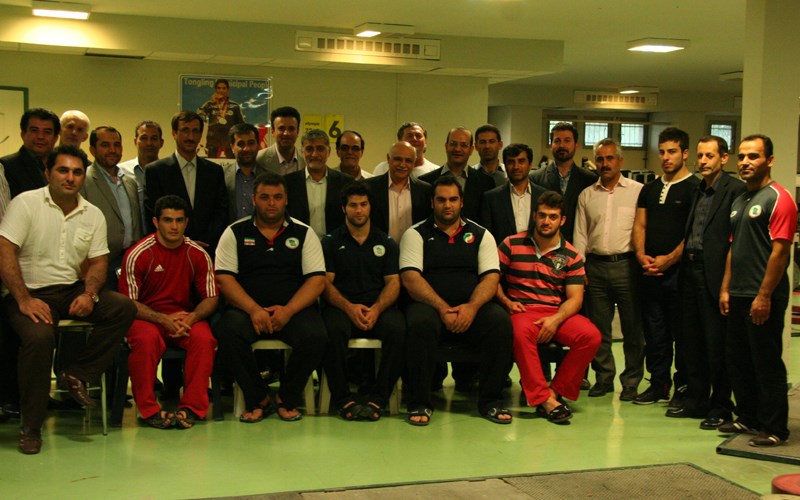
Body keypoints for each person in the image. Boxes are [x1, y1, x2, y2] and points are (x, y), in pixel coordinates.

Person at [0, 144, 136, 454]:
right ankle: (31, 426)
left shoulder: (93, 214)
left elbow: (99, 262)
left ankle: (78, 374)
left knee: (122, 308)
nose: (70, 178)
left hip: (72, 289)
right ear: (48, 172)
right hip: (29, 292)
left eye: (77, 172)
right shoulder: (26, 204)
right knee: (39, 338)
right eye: (63, 170)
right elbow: (5, 250)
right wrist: (23, 299)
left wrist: (89, 294)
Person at [400, 176, 513, 426]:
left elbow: (491, 278)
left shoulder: (481, 235)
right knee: (419, 323)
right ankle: (419, 401)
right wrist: (442, 308)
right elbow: (410, 278)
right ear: (432, 203)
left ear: (462, 202)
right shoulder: (415, 234)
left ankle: (491, 401)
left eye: (453, 199)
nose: (447, 205)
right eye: (441, 200)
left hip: (471, 307)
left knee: (500, 322)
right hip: (430, 307)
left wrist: (471, 308)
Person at [214, 172, 327, 422]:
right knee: (228, 332)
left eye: (277, 197)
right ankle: (257, 397)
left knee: (316, 335)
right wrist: (254, 310)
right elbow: (224, 279)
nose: (271, 203)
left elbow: (317, 280)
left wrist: (288, 311)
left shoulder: (304, 232)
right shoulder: (234, 232)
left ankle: (287, 397)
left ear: (286, 200)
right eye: (265, 197)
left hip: (293, 310)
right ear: (254, 200)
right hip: (247, 311)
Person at [719, 134, 797, 447]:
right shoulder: (740, 200)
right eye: (742, 156)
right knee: (738, 359)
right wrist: (725, 288)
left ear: (770, 160)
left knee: (766, 362)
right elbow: (733, 248)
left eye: (753, 156)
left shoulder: (779, 198)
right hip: (738, 294)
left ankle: (775, 427)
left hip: (764, 295)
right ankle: (748, 417)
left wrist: (763, 295)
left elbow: (780, 252)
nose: (745, 162)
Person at [497, 190, 601, 423]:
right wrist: (506, 301)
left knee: (591, 336)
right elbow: (490, 279)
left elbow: (575, 299)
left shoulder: (572, 255)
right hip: (522, 310)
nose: (546, 221)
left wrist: (555, 320)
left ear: (562, 220)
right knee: (520, 334)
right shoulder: (511, 244)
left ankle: (553, 393)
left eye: (553, 217)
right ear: (534, 216)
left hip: (556, 312)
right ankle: (544, 399)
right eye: (542, 215)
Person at [119, 195, 218, 430]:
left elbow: (211, 297)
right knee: (146, 341)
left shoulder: (197, 254)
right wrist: (162, 319)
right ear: (156, 222)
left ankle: (192, 408)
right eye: (167, 220)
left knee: (204, 339)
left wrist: (193, 317)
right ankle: (149, 410)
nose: (174, 226)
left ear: (186, 222)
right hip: (146, 318)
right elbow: (128, 303)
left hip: (184, 317)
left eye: (179, 220)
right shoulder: (138, 254)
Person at [666, 136, 745, 427]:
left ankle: (721, 406)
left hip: (715, 274)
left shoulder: (734, 189)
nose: (703, 161)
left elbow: (734, 240)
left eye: (709, 156)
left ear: (724, 158)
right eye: (700, 156)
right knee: (692, 341)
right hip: (690, 271)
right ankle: (696, 401)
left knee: (716, 344)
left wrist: (726, 284)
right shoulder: (698, 189)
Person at [321, 182, 404, 421]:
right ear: (343, 209)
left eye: (363, 204)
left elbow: (393, 282)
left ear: (370, 207)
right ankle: (342, 398)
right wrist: (349, 307)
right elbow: (325, 284)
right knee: (330, 331)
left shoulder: (386, 242)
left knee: (399, 330)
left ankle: (379, 398)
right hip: (341, 307)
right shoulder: (330, 242)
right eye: (353, 205)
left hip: (378, 307)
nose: (359, 210)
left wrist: (377, 309)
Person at [632, 127, 700, 405]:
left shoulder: (696, 188)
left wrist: (669, 259)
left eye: (672, 152)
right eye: (661, 152)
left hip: (680, 274)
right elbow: (640, 224)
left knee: (682, 334)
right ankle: (659, 383)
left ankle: (683, 386)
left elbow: (694, 232)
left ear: (685, 153)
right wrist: (641, 255)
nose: (666, 157)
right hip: (650, 272)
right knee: (654, 333)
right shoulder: (649, 189)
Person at [573, 138, 644, 401]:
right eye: (600, 159)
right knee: (598, 329)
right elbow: (580, 235)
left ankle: (631, 382)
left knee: (632, 329)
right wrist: (579, 271)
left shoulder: (637, 191)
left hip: (627, 266)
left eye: (610, 158)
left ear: (620, 161)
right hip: (595, 267)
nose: (605, 164)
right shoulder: (586, 195)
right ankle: (603, 379)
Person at [144, 111, 228, 256]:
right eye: (185, 130)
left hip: (207, 249)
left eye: (195, 131)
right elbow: (152, 214)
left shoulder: (214, 171)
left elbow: (221, 211)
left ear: (201, 135)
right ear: (174, 133)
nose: (190, 137)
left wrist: (205, 241)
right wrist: (184, 242)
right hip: (170, 251)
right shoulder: (156, 171)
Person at [81, 126, 142, 288]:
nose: (112, 150)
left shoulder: (129, 181)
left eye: (117, 145)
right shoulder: (84, 180)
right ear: (92, 150)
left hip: (129, 261)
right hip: (99, 263)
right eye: (105, 145)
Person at [530, 122, 597, 243]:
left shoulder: (589, 180)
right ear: (551, 144)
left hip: (577, 245)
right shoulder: (535, 178)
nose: (562, 145)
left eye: (567, 140)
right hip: (543, 244)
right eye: (557, 141)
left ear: (576, 144)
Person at [284, 128, 354, 237]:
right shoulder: (288, 183)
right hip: (299, 243)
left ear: (329, 151)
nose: (315, 154)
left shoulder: (346, 182)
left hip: (335, 244)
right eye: (309, 149)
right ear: (302, 152)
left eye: (320, 149)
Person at [419, 127, 495, 221]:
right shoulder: (425, 182)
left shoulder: (486, 183)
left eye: (464, 145)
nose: (458, 149)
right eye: (453, 144)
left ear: (471, 149)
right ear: (446, 146)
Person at [479, 143, 547, 243]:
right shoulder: (491, 198)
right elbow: (487, 238)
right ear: (505, 166)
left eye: (521, 161)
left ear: (530, 165)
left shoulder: (544, 196)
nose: (516, 167)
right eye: (511, 162)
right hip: (501, 252)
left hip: (537, 252)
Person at [365, 141, 432, 242]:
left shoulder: (425, 190)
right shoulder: (369, 187)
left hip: (414, 249)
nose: (402, 165)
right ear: (388, 158)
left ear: (414, 162)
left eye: (408, 160)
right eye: (398, 159)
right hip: (378, 249)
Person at [1, 108, 59, 198]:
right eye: (34, 130)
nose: (40, 136)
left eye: (47, 132)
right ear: (23, 134)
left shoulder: (63, 167)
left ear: (55, 138)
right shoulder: (6, 166)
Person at [119, 120, 165, 229]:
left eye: (154, 138)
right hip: (131, 236)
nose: (149, 143)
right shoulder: (120, 172)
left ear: (161, 142)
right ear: (135, 141)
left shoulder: (167, 172)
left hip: (161, 235)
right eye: (144, 138)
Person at [198, 78, 245, 158]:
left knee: (231, 162)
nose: (221, 90)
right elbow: (200, 117)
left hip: (229, 139)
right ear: (216, 89)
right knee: (211, 162)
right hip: (213, 139)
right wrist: (210, 104)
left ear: (227, 90)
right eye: (219, 88)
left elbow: (240, 124)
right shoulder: (209, 105)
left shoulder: (234, 106)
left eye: (224, 88)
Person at [372, 122, 439, 178]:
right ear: (400, 141)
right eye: (410, 136)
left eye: (418, 136)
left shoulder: (435, 171)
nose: (414, 139)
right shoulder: (383, 168)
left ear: (425, 141)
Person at [223, 122, 261, 221]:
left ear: (258, 145)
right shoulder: (221, 175)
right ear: (232, 147)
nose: (246, 149)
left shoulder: (268, 176)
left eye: (251, 143)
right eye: (241, 144)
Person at [256, 106, 306, 175]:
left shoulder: (305, 159)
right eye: (281, 128)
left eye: (291, 129)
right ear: (273, 132)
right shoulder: (259, 159)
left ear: (297, 132)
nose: (286, 133)